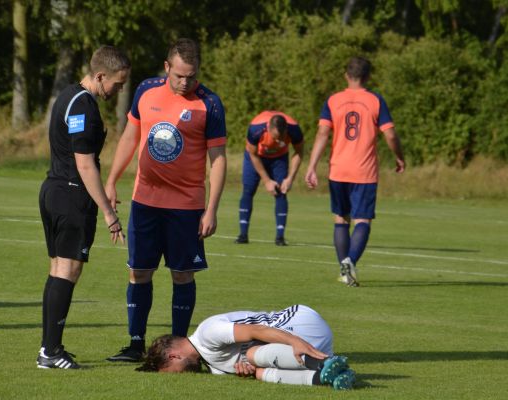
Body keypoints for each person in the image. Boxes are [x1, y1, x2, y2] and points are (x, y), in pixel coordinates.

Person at [105, 38, 227, 362]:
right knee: (139, 271)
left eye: (191, 76)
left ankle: (177, 346)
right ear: (166, 67)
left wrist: (212, 209)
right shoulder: (146, 90)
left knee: (182, 275)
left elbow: (218, 159)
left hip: (186, 207)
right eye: (179, 76)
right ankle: (135, 345)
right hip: (145, 202)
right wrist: (112, 180)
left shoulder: (210, 104)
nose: (185, 82)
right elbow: (130, 136)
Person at [37, 45, 130, 369]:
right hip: (72, 195)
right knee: (68, 271)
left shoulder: (68, 95)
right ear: (101, 76)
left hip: (54, 190)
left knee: (58, 270)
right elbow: (85, 165)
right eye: (117, 84)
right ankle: (51, 352)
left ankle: (49, 347)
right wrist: (109, 212)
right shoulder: (85, 107)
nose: (119, 90)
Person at [304, 56, 405, 287]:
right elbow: (390, 134)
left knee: (341, 218)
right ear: (368, 76)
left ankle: (344, 268)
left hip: (338, 170)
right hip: (364, 172)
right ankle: (349, 264)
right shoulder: (375, 100)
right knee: (362, 220)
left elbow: (322, 133)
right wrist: (399, 156)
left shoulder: (333, 100)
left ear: (346, 75)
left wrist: (311, 166)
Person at [137, 304, 356, 390]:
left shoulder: (206, 333)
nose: (178, 376)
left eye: (171, 372)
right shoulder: (213, 368)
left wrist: (294, 341)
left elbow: (256, 330)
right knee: (258, 372)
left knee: (250, 354)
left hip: (299, 323)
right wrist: (248, 372)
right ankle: (326, 377)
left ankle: (323, 363)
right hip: (303, 346)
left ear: (173, 356)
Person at [235, 111, 304, 246]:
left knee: (281, 191)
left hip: (279, 159)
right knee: (248, 190)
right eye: (275, 137)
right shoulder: (255, 129)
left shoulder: (294, 130)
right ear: (268, 128)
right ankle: (243, 235)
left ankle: (280, 237)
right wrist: (266, 181)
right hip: (256, 156)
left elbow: (299, 151)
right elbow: (253, 154)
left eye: (281, 138)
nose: (278, 141)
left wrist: (290, 178)